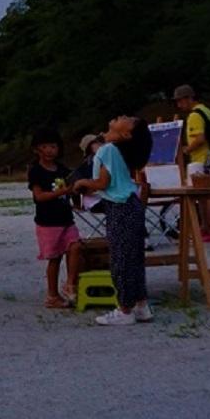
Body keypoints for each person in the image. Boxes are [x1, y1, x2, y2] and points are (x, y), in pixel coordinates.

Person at [71, 116, 154, 325]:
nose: (122, 116)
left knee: (121, 261)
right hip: (132, 205)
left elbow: (102, 182)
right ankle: (141, 306)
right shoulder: (117, 150)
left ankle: (125, 310)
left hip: (120, 208)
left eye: (128, 120)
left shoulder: (108, 150)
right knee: (134, 258)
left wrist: (81, 182)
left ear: (126, 134)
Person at [26, 127, 80, 308]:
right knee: (55, 258)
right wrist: (60, 192)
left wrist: (75, 195)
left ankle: (70, 283)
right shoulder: (36, 172)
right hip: (47, 222)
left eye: (54, 147)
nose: (50, 150)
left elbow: (72, 190)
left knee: (75, 247)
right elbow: (39, 197)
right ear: (37, 149)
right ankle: (52, 295)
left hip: (66, 218)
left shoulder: (63, 170)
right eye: (46, 147)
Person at [173, 84, 210, 242]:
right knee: (205, 196)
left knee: (206, 197)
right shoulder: (206, 110)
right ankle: (206, 228)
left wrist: (187, 149)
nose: (179, 105)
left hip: (203, 160)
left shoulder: (194, 115)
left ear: (189, 98)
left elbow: (200, 138)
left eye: (180, 101)